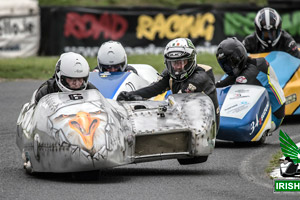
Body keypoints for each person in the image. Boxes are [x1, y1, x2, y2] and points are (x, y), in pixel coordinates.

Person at [117, 38, 220, 128]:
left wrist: (142, 103)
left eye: (181, 62)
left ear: (190, 61)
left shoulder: (200, 78)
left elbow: (178, 101)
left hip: (203, 125)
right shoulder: (170, 74)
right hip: (184, 121)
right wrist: (131, 95)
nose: (177, 67)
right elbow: (155, 88)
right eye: (174, 63)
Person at [216, 37, 286, 132]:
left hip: (275, 113)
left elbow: (242, 79)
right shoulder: (238, 72)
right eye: (225, 65)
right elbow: (221, 85)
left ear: (240, 54)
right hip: (261, 110)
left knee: (235, 90)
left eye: (231, 61)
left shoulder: (260, 65)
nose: (229, 67)